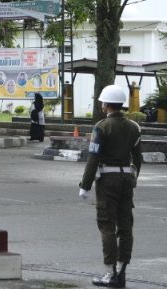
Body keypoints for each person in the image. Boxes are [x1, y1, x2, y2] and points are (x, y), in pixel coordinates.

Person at [78, 85, 143, 288]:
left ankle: (109, 273)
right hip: (126, 180)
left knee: (107, 225)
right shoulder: (134, 127)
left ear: (106, 104)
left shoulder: (101, 127)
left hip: (108, 181)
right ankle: (122, 271)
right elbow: (138, 158)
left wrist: (85, 185)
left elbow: (93, 157)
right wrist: (134, 177)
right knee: (125, 226)